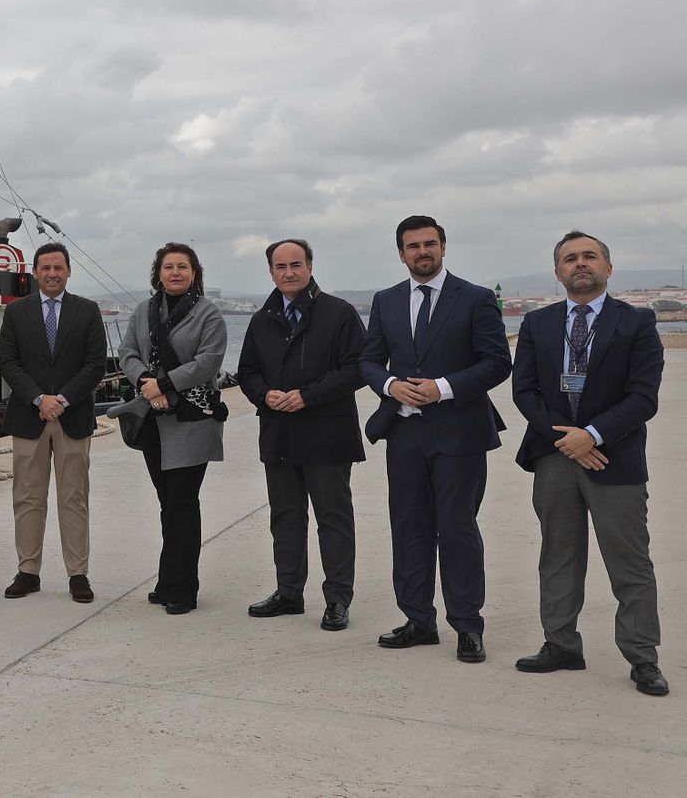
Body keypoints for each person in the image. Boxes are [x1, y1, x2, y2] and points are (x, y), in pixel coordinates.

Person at [511, 231, 667, 695]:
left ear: (608, 268)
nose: (581, 263)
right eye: (570, 258)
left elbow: (643, 397)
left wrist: (592, 435)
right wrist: (568, 440)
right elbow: (524, 391)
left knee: (630, 562)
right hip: (555, 456)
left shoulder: (637, 322)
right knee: (558, 556)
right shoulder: (538, 324)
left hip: (612, 458)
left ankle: (642, 658)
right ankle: (561, 644)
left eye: (590, 256)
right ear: (557, 272)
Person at [361, 215, 510, 662]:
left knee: (458, 529)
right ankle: (418, 620)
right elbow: (368, 361)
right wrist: (390, 385)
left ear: (443, 247)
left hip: (460, 434)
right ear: (401, 253)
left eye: (430, 244)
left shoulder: (477, 299)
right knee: (408, 527)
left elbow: (497, 362)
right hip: (404, 433)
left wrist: (442, 387)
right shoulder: (385, 301)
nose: (422, 252)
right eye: (413, 246)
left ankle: (467, 626)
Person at [236, 238, 366, 631]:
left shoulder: (339, 313)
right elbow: (247, 372)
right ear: (271, 272)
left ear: (310, 266)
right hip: (279, 433)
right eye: (280, 267)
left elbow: (358, 367)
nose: (288, 273)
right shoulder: (262, 319)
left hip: (327, 432)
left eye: (296, 264)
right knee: (286, 517)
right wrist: (265, 394)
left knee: (333, 518)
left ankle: (338, 600)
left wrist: (308, 396)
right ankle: (289, 592)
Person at [108, 242, 227, 615]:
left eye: (183, 267)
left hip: (191, 418)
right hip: (153, 418)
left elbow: (209, 361)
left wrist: (164, 384)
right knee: (167, 502)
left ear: (194, 273)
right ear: (158, 273)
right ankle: (167, 579)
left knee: (183, 502)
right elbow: (127, 351)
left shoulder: (209, 313)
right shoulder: (144, 311)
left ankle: (183, 589)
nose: (175, 273)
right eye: (168, 267)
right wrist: (145, 380)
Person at [0, 243, 107, 603]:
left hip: (72, 416)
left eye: (58, 268)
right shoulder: (17, 313)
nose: (52, 274)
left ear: (69, 271)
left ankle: (78, 574)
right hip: (30, 417)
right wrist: (38, 398)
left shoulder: (87, 311)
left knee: (74, 497)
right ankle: (28, 571)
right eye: (45, 268)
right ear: (35, 272)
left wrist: (61, 400)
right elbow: (8, 361)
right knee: (28, 497)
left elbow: (95, 364)